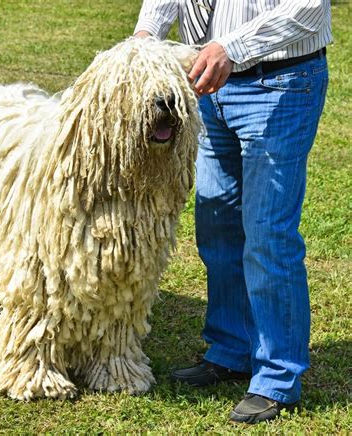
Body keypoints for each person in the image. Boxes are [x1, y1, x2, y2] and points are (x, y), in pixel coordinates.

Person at [134, 0, 332, 424]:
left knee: (267, 235)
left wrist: (231, 47)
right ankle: (230, 350)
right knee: (217, 227)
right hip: (208, 90)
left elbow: (311, 8)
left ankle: (276, 378)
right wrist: (147, 33)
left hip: (280, 83)